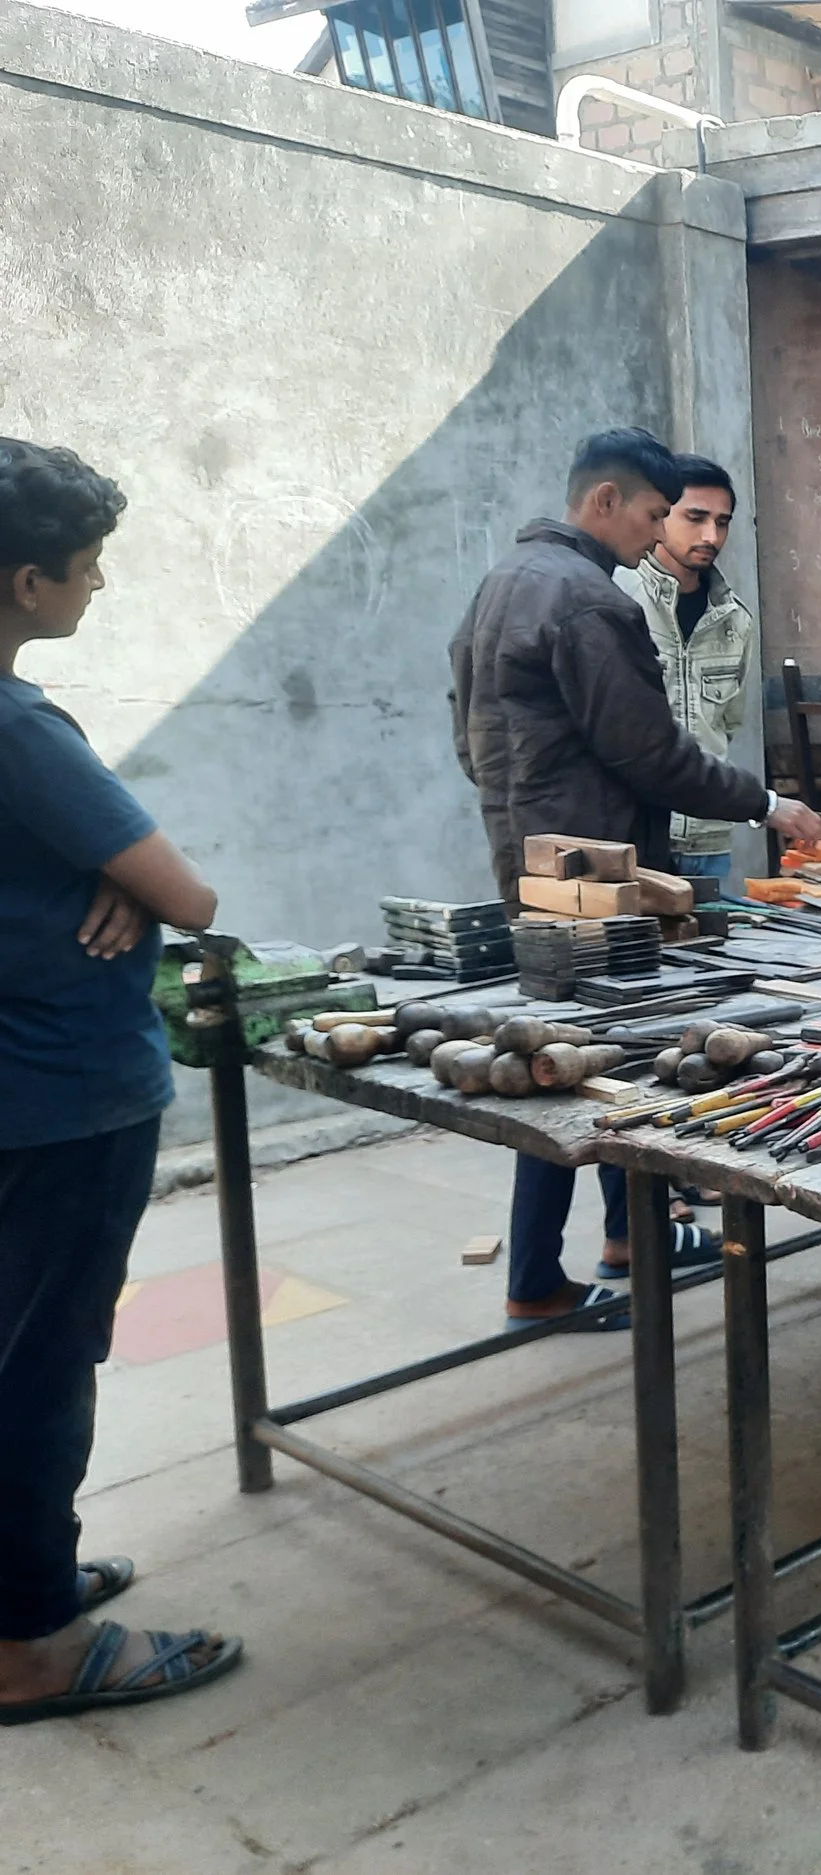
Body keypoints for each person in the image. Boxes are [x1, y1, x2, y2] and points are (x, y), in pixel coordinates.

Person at [450, 428, 821, 1327]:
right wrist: (766, 804)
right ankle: (536, 1277)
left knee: (592, 1054)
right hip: (597, 874)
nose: (662, 531)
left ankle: (629, 1235)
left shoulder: (503, 582)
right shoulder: (589, 601)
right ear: (606, 501)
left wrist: (521, 815)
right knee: (580, 1063)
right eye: (659, 513)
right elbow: (652, 754)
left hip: (532, 858)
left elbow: (466, 730)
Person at [0, 439, 242, 1724]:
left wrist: (101, 876)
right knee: (43, 1368)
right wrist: (131, 882)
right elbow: (192, 897)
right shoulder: (21, 725)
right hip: (56, 1094)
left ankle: (20, 1579)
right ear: (29, 581)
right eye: (87, 570)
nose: (97, 589)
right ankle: (33, 1642)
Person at [618, 454, 754, 883]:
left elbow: (726, 727)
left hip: (710, 839)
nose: (711, 535)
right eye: (695, 517)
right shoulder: (618, 600)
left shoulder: (735, 620)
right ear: (660, 517)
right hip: (632, 839)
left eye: (723, 522)